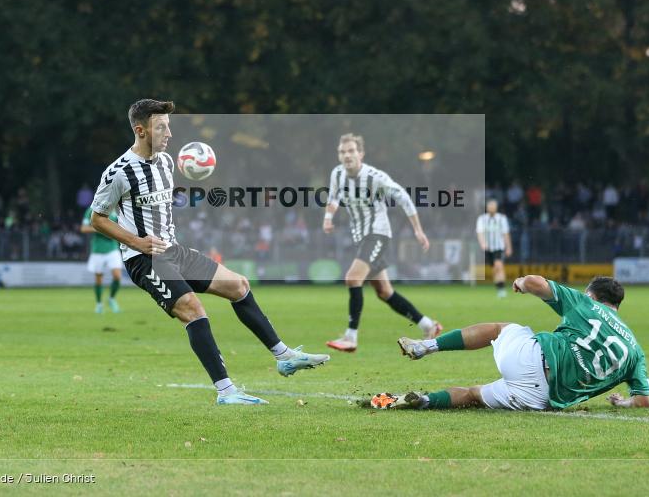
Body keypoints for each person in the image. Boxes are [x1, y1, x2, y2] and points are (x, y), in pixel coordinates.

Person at [89, 99, 329, 405]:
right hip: (144, 259)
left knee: (239, 285)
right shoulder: (118, 172)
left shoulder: (165, 162)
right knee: (193, 308)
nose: (169, 133)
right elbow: (98, 218)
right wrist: (136, 242)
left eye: (169, 126)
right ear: (140, 130)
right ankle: (226, 392)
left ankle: (284, 356)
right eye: (161, 127)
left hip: (172, 251)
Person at [370, 275, 649, 412]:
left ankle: (425, 347)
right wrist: (622, 403)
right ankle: (425, 401)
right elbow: (643, 401)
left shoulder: (585, 304)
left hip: (530, 359)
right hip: (542, 399)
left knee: (499, 329)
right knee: (473, 395)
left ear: (591, 295)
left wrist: (521, 282)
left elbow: (537, 282)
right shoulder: (636, 351)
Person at [323, 133, 442, 353]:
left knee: (352, 278)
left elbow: (403, 198)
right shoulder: (337, 174)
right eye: (342, 151)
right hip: (361, 236)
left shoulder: (374, 177)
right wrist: (328, 217)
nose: (347, 155)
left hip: (378, 234)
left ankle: (351, 337)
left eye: (351, 151)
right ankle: (429, 325)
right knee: (384, 292)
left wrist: (417, 229)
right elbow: (333, 197)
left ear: (361, 153)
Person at [81, 206, 122, 313]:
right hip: (97, 250)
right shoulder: (91, 209)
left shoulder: (115, 209)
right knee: (99, 279)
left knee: (117, 276)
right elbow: (84, 228)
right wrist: (100, 229)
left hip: (113, 248)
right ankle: (99, 304)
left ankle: (111, 299)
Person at [475, 199, 512, 298]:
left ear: (496, 208)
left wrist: (508, 247)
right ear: (487, 208)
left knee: (498, 265)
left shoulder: (502, 218)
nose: (491, 208)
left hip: (499, 247)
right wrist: (482, 244)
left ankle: (502, 289)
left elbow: (505, 234)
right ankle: (499, 287)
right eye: (489, 206)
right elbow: (480, 232)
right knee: (495, 269)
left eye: (493, 206)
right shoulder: (482, 219)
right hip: (488, 248)